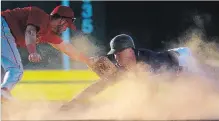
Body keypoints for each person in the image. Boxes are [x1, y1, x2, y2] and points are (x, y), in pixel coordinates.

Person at [60, 34, 184, 110]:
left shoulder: (149, 59)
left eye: (119, 53)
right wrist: (74, 102)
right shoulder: (122, 69)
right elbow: (99, 86)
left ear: (130, 50)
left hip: (185, 59)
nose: (116, 57)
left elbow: (157, 84)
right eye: (114, 54)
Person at [1, 5, 93, 101]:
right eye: (66, 24)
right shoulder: (40, 15)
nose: (66, 28)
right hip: (2, 26)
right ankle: (3, 91)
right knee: (16, 69)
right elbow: (30, 31)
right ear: (61, 20)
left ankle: (3, 100)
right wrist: (32, 51)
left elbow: (66, 48)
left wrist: (88, 61)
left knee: (2, 74)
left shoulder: (48, 33)